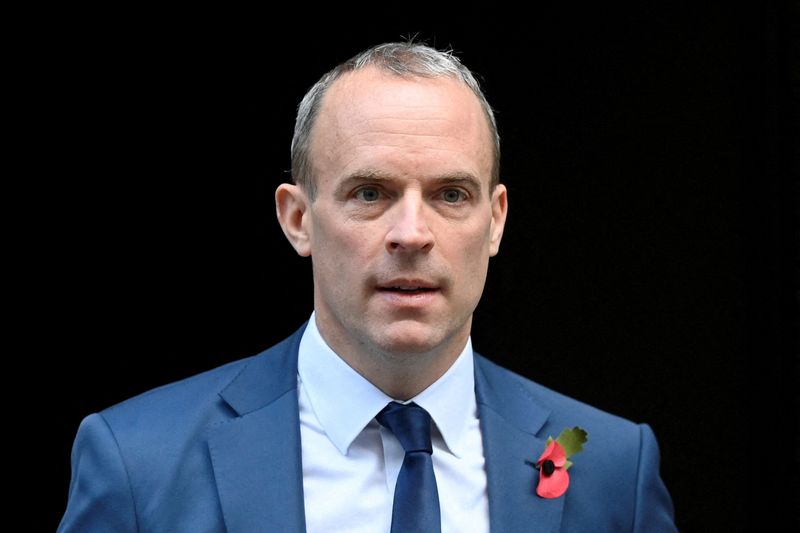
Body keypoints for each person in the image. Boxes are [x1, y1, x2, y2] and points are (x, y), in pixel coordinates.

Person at [58, 41, 678, 532]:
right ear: (298, 219)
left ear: (495, 221)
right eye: (370, 193)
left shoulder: (610, 469)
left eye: (451, 195)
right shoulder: (140, 463)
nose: (411, 233)